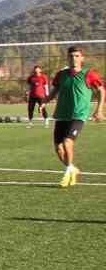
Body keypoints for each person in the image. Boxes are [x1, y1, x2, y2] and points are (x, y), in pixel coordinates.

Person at [45, 45, 106, 187]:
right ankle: (72, 168)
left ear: (82, 58)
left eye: (77, 56)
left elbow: (102, 90)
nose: (74, 58)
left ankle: (67, 172)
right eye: (71, 56)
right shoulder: (61, 74)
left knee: (67, 142)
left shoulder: (89, 74)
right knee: (58, 148)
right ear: (68, 58)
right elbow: (55, 91)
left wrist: (99, 110)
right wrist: (45, 101)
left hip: (78, 114)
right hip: (61, 114)